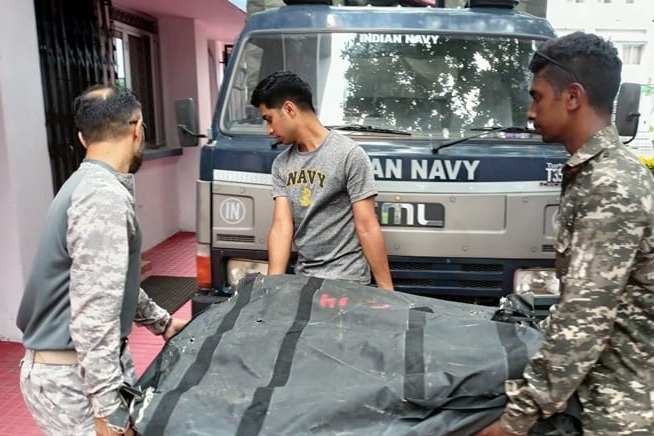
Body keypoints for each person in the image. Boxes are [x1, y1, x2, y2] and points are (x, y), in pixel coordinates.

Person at [476, 32, 654, 435]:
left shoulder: (610, 185)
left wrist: (513, 421)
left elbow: (584, 320)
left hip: (616, 410)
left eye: (537, 97)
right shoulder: (593, 173)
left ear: (572, 97)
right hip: (593, 391)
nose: (530, 112)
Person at [16, 84, 188, 435]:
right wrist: (109, 410)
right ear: (137, 127)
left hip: (81, 368)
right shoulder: (102, 198)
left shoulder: (94, 184)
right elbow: (94, 317)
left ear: (82, 138)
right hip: (74, 378)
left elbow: (111, 282)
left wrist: (162, 322)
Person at [250, 71, 394, 290]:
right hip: (305, 280)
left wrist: (387, 290)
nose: (269, 130)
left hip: (348, 281)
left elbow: (367, 226)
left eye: (269, 119)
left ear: (289, 109)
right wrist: (271, 289)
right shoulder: (282, 164)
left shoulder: (349, 155)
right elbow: (282, 226)